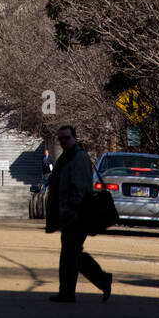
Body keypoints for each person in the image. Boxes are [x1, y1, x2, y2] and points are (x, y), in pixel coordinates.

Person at [45, 124, 112, 303]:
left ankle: (99, 281)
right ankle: (69, 291)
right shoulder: (66, 158)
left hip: (77, 215)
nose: (64, 141)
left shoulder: (79, 157)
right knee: (72, 254)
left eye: (66, 138)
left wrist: (74, 210)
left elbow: (81, 187)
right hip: (68, 214)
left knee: (71, 253)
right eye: (61, 139)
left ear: (74, 138)